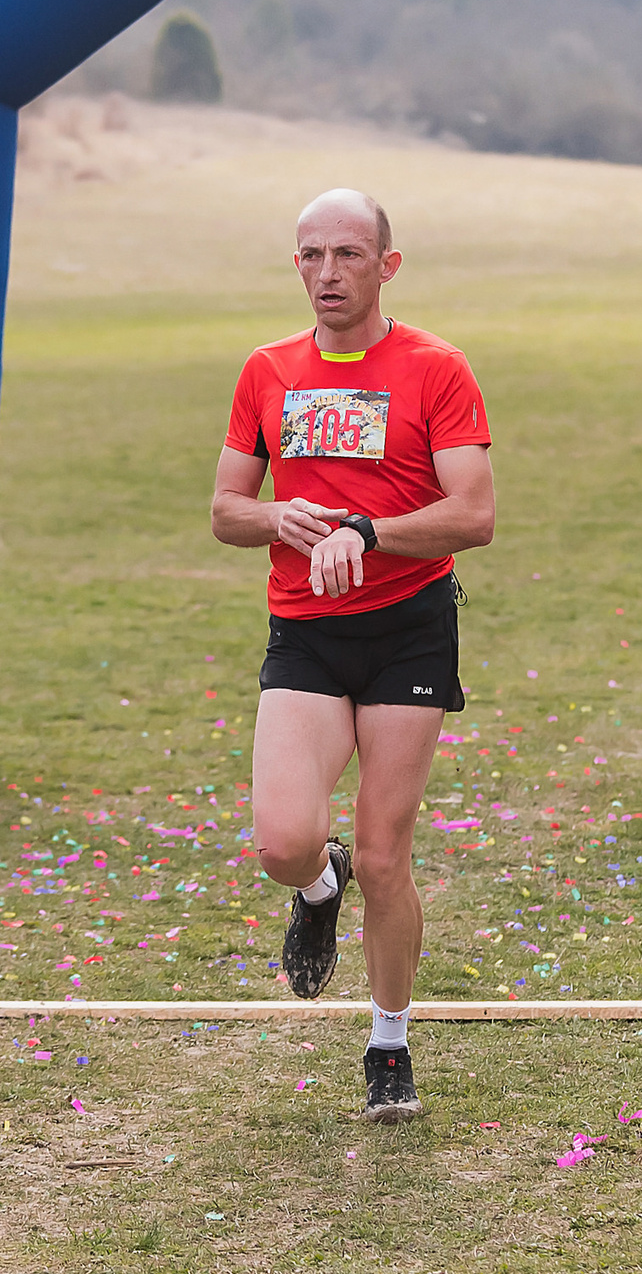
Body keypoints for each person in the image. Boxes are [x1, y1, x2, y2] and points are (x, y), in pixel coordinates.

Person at [211, 188, 494, 1123]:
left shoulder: (435, 368)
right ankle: (315, 886)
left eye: (347, 254)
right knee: (285, 843)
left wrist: (367, 531)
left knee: (386, 854)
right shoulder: (267, 370)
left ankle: (388, 1041)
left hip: (408, 627)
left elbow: (474, 514)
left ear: (387, 264)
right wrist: (274, 516)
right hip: (307, 631)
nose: (327, 273)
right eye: (310, 255)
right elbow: (226, 510)